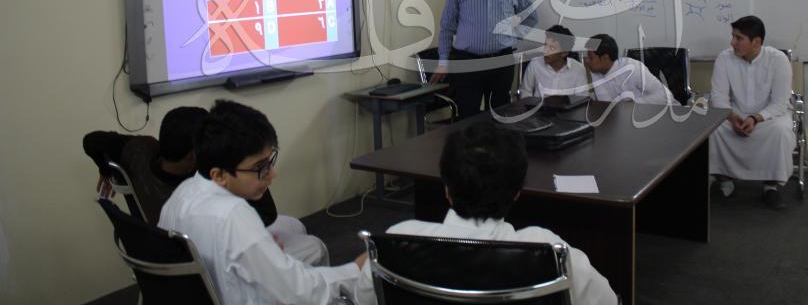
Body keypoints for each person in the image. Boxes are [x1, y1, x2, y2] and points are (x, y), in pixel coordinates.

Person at [353, 122, 617, 305]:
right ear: (517, 192)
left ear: (446, 189)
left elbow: (363, 298)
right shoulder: (550, 250)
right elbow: (608, 300)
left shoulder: (398, 240)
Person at [159, 100, 365, 305]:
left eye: (269, 161)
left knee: (296, 235)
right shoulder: (233, 216)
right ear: (219, 175)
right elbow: (297, 292)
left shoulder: (180, 196)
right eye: (260, 166)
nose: (272, 174)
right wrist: (355, 269)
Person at [84, 106, 327, 265]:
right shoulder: (200, 188)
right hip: (215, 259)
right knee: (315, 247)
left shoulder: (140, 150)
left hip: (161, 248)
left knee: (295, 225)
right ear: (193, 156)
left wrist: (106, 170)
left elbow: (91, 141)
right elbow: (265, 215)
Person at [432, 0, 538, 118]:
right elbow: (446, 28)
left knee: (501, 113)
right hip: (467, 62)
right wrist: (443, 62)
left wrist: (513, 37)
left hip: (501, 61)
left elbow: (531, 17)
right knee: (468, 114)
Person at [708, 15, 795, 210]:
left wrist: (755, 118)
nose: (732, 42)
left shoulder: (778, 60)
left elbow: (780, 103)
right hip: (735, 113)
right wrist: (732, 118)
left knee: (780, 131)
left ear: (756, 42)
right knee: (714, 129)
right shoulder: (724, 58)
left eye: (739, 38)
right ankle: (725, 182)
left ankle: (770, 187)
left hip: (769, 116)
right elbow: (718, 97)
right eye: (733, 36)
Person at [584, 33, 674, 105]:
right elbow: (606, 103)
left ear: (605, 58)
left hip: (663, 113)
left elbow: (666, 96)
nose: (586, 60)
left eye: (591, 57)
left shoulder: (634, 68)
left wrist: (634, 103)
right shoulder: (595, 71)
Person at [520, 24, 589, 99]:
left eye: (552, 48)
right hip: (539, 106)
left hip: (567, 107)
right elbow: (525, 91)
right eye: (545, 45)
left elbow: (582, 99)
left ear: (564, 53)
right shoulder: (535, 64)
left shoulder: (579, 69)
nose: (545, 51)